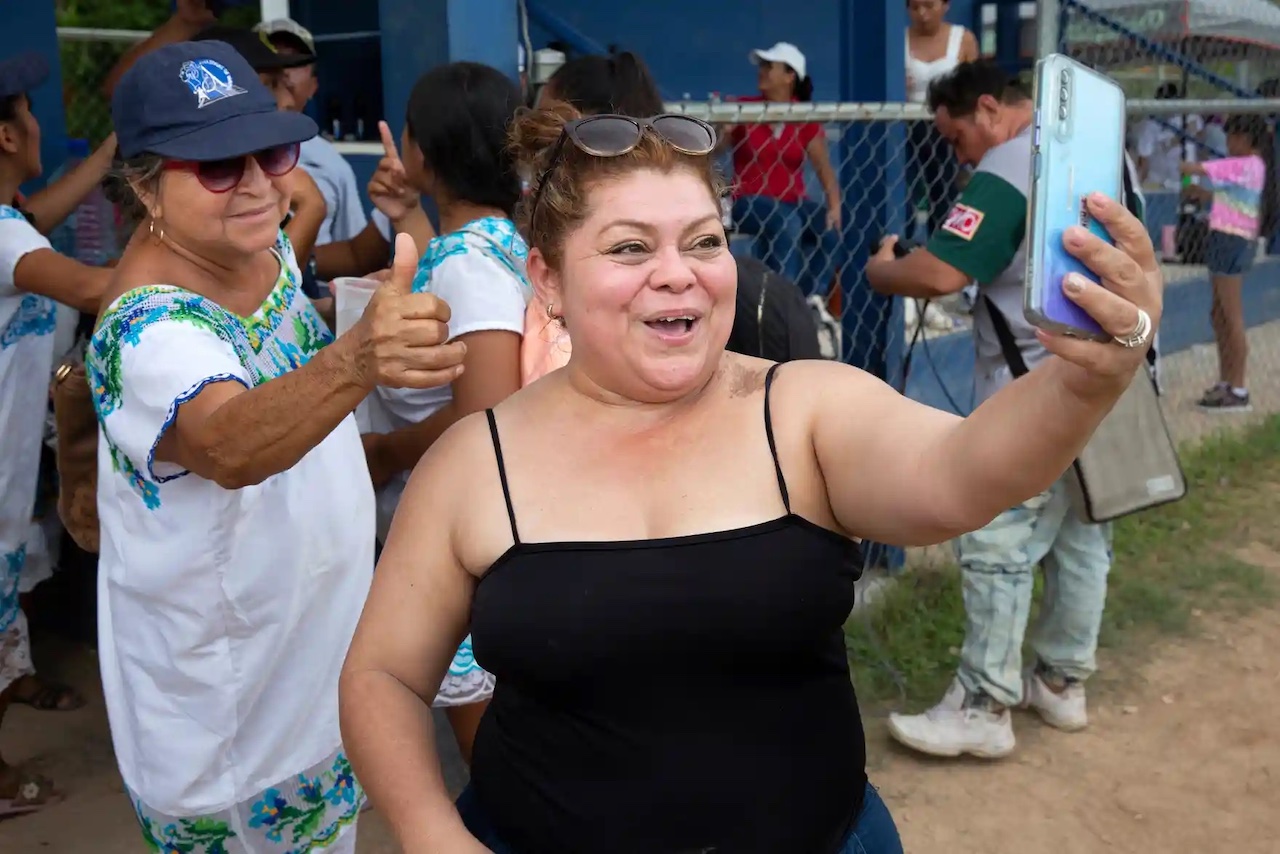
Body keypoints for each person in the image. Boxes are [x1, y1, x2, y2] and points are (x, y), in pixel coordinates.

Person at [337, 97, 1163, 852]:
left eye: (704, 240)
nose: (678, 271)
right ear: (547, 278)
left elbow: (963, 474)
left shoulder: (803, 411)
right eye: (630, 247)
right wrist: (429, 833)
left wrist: (1083, 380)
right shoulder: (475, 459)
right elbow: (383, 675)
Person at [90, 41, 463, 852]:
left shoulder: (254, 253)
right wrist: (361, 356)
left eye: (269, 151)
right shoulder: (150, 327)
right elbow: (229, 443)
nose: (259, 182)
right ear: (146, 184)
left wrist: (388, 216)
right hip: (233, 729)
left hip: (310, 681)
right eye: (219, 167)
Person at [866, 61, 1126, 759]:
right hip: (1100, 378)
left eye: (957, 138)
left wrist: (882, 269)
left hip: (1032, 390)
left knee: (998, 541)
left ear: (987, 109)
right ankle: (1063, 681)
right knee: (1080, 538)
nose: (961, 155)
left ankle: (983, 704)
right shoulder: (1102, 150)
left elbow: (942, 271)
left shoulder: (1013, 162)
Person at [359, 62, 527, 763]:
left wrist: (386, 452)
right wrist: (404, 215)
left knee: (491, 745)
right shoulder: (492, 244)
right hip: (481, 531)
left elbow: (485, 411)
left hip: (459, 538)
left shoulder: (470, 265)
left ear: (423, 151)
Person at [0, 48, 116, 819]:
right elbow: (97, 286)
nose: (39, 122)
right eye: (28, 110)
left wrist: (112, 154)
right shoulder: (7, 239)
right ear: (9, 136)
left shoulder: (14, 223)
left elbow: (38, 220)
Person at [727, 42, 842, 296]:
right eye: (762, 66)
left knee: (830, 230)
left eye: (770, 66)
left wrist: (835, 207)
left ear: (790, 76)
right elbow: (715, 149)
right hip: (746, 200)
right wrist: (722, 130)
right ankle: (780, 303)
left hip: (792, 201)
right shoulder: (742, 107)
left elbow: (824, 169)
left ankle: (810, 298)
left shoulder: (802, 118)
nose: (762, 71)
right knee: (787, 221)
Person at [1180, 114, 1277, 412]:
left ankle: (1237, 387)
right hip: (1225, 239)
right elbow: (1230, 197)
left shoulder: (1249, 164)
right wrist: (1201, 193)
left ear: (1246, 139)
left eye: (1232, 137)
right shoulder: (1246, 169)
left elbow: (1201, 168)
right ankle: (1225, 382)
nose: (1228, 143)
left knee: (1231, 316)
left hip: (1232, 242)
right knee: (1219, 314)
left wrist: (1187, 170)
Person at [254, 18, 371, 250]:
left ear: (313, 87)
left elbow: (352, 255)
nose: (283, 71)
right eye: (270, 58)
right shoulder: (223, 154)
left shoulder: (332, 164)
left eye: (295, 62)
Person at [905, 0, 979, 237]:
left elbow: (975, 86)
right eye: (915, 8)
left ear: (945, 6)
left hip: (949, 131)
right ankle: (899, 249)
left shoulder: (963, 38)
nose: (922, 14)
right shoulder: (899, 39)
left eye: (929, 6)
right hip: (905, 128)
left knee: (945, 194)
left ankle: (942, 248)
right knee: (905, 193)